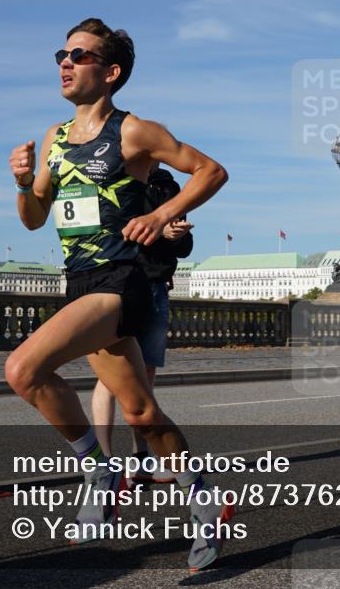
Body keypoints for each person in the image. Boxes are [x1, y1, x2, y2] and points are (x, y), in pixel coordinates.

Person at [5, 18, 230, 569]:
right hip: (79, 283)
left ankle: (98, 469)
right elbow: (35, 219)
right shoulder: (55, 139)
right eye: (62, 52)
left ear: (110, 72)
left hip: (121, 282)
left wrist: (161, 213)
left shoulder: (133, 132)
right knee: (140, 411)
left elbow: (210, 171)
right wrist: (20, 182)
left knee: (22, 370)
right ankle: (205, 499)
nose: (65, 61)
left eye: (79, 55)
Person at [91, 168, 193, 484]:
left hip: (158, 285)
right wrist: (159, 233)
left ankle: (141, 463)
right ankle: (104, 464)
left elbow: (184, 248)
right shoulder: (116, 182)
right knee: (111, 378)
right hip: (124, 285)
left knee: (145, 379)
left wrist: (179, 236)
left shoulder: (168, 186)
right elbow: (108, 233)